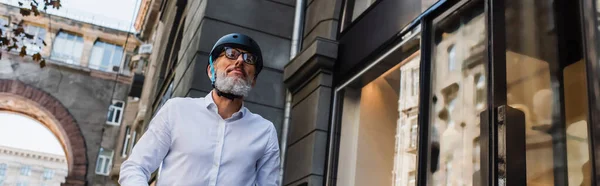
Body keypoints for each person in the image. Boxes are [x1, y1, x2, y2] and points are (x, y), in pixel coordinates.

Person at [119, 33, 280, 186]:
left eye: (248, 58)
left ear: (253, 81)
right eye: (231, 53)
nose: (239, 61)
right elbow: (135, 167)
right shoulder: (176, 110)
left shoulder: (265, 131)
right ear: (211, 71)